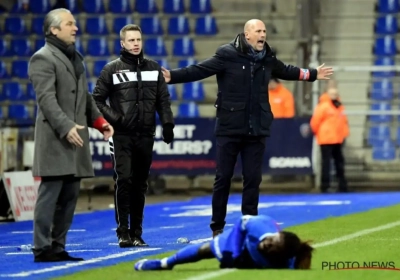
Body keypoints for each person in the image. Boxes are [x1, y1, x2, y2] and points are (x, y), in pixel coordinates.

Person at [161, 19, 333, 238]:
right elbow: (200, 70)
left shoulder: (267, 57)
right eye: (258, 31)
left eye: (264, 31)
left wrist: (312, 74)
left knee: (253, 179)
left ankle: (250, 224)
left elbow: (286, 71)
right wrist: (173, 76)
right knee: (223, 178)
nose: (263, 34)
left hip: (256, 128)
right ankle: (217, 227)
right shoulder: (227, 54)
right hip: (229, 127)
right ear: (247, 34)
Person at [28, 8, 114, 262]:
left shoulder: (75, 57)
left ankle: (58, 246)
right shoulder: (42, 58)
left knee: (69, 197)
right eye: (69, 24)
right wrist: (65, 127)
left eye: (74, 23)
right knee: (50, 195)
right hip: (57, 137)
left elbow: (84, 97)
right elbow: (46, 99)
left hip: (76, 137)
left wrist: (99, 121)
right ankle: (42, 248)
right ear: (53, 29)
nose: (75, 28)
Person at [92, 24, 175, 248]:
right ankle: (123, 232)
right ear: (122, 43)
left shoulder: (154, 68)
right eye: (131, 40)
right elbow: (96, 99)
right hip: (122, 136)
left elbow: (163, 100)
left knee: (140, 184)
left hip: (146, 134)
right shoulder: (111, 69)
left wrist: (168, 124)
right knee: (124, 180)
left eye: (138, 39)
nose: (136, 43)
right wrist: (116, 119)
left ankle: (137, 233)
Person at [134, 214, 314, 271]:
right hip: (239, 244)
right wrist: (233, 254)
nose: (269, 243)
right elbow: (242, 224)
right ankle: (164, 263)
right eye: (273, 239)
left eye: (275, 247)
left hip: (254, 260)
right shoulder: (260, 227)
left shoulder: (285, 262)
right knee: (206, 250)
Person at [310, 87, 349, 193]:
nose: (334, 96)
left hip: (337, 139)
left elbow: (344, 121)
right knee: (326, 163)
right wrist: (320, 134)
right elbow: (315, 122)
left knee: (339, 163)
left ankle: (342, 185)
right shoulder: (323, 106)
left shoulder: (339, 106)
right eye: (332, 94)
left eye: (335, 94)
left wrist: (344, 134)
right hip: (326, 139)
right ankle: (325, 185)